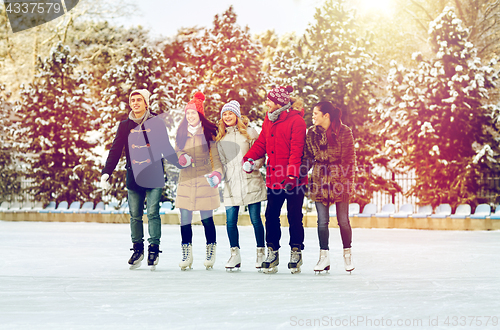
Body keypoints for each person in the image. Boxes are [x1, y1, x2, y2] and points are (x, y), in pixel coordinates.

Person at [101, 89, 180, 270]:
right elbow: (115, 150)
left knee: (152, 212)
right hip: (134, 176)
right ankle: (138, 249)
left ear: (146, 103)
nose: (135, 103)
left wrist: (180, 162)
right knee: (135, 215)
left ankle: (153, 248)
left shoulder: (156, 123)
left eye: (139, 100)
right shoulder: (124, 126)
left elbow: (165, 147)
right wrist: (107, 172)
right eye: (133, 100)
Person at [243, 86, 307, 274]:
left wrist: (292, 175)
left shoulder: (297, 121)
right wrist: (248, 158)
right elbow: (262, 143)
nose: (267, 104)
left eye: (269, 101)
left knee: (295, 216)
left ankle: (296, 251)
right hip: (274, 177)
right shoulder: (269, 120)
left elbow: (297, 150)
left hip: (294, 179)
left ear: (278, 103)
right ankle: (272, 251)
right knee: (271, 216)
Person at [301, 101, 356, 273]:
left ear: (326, 115)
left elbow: (349, 160)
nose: (313, 116)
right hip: (319, 180)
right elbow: (308, 157)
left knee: (343, 221)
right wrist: (299, 173)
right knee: (322, 222)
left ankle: (347, 254)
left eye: (316, 113)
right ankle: (324, 257)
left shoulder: (344, 132)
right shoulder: (311, 133)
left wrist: (347, 183)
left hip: (340, 180)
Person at [215, 100, 267, 271]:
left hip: (250, 180)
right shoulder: (221, 138)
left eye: (230, 113)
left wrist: (254, 165)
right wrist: (217, 175)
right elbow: (221, 162)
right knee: (230, 221)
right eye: (224, 114)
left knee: (255, 219)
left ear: (237, 115)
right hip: (231, 183)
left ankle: (260, 252)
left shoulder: (250, 133)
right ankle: (234, 254)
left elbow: (260, 154)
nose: (227, 116)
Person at [175, 91, 223, 270]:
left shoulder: (209, 133)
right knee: (185, 219)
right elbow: (177, 151)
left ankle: (210, 251)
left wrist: (217, 174)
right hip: (186, 180)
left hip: (205, 180)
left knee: (206, 219)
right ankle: (186, 254)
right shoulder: (181, 132)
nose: (189, 116)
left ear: (200, 114)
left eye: (193, 113)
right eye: (187, 113)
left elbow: (216, 159)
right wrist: (181, 158)